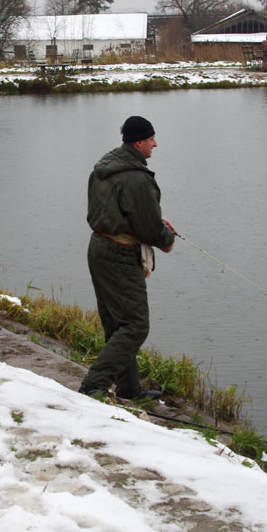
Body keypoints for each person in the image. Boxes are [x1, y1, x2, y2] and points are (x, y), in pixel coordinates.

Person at [79, 115, 176, 401]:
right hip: (119, 254)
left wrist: (153, 220)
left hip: (98, 249)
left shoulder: (106, 166)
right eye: (151, 140)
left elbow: (122, 212)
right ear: (138, 142)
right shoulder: (135, 177)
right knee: (135, 325)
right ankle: (93, 386)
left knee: (116, 325)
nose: (155, 144)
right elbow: (147, 226)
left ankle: (129, 389)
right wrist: (167, 240)